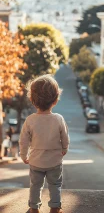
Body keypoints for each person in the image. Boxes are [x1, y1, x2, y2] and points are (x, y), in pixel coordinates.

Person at [19, 75, 70, 213]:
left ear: (32, 100)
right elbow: (64, 136)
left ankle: (34, 207)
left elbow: (23, 141)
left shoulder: (30, 120)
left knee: (35, 185)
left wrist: (23, 155)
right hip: (54, 160)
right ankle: (55, 206)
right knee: (55, 184)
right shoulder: (59, 119)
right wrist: (65, 148)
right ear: (55, 100)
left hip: (36, 160)